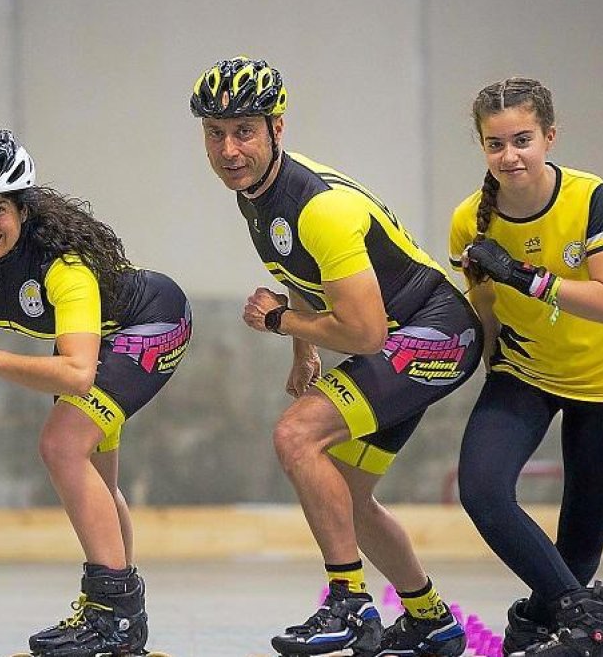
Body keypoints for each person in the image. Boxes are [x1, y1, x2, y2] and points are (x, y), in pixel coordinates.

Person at [190, 55, 482, 657]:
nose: (228, 149)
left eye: (244, 130)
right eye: (215, 133)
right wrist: (304, 349)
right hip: (407, 334)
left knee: (297, 436)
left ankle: (348, 604)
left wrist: (278, 321)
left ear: (278, 127)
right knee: (347, 494)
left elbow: (366, 333)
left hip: (432, 332)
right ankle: (432, 620)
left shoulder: (317, 207)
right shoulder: (260, 192)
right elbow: (302, 275)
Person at [0, 130, 192, 657]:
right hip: (104, 342)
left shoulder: (64, 266)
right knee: (97, 478)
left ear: (24, 210)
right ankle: (121, 614)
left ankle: (113, 614)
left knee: (60, 445)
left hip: (150, 325)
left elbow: (77, 373)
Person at [450, 77, 603, 657]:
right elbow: (483, 313)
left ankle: (537, 622)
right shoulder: (469, 221)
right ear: (482, 147)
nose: (510, 156)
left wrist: (526, 277)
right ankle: (594, 629)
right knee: (481, 490)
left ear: (550, 137)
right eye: (495, 144)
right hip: (522, 377)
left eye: (523, 140)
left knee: (575, 558)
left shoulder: (587, 197)